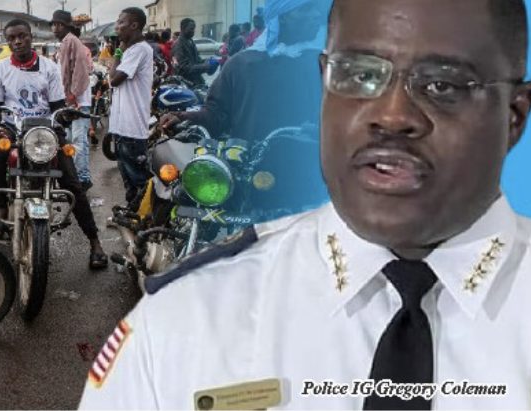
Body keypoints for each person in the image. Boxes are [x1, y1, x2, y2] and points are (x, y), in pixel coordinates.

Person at [80, 0, 531, 408]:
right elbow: (215, 114)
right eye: (359, 75)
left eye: (443, 84)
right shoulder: (181, 321)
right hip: (245, 179)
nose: (392, 114)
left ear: (515, 114)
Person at [161, 0, 330, 217]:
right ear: (283, 16)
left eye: (318, 8)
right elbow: (216, 113)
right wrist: (182, 117)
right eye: (306, 9)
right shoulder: (242, 65)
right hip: (254, 179)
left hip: (313, 183)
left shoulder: (328, 66)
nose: (317, 15)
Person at [0, 19, 108, 269]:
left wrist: (65, 115)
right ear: (7, 41)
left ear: (31, 37)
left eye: (22, 36)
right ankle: (0, 210)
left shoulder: (49, 67)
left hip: (45, 127)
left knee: (72, 182)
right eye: (12, 38)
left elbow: (57, 106)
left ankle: (95, 242)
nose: (17, 41)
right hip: (13, 127)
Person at [108, 8, 154, 204]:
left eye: (121, 23)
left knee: (138, 180)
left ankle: (145, 221)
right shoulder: (131, 50)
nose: (117, 27)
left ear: (134, 25)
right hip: (122, 127)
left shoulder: (139, 50)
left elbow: (114, 79)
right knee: (128, 179)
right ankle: (131, 215)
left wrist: (118, 50)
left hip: (132, 129)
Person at [52, 9, 95, 190]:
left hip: (78, 101)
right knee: (70, 141)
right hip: (72, 100)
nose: (54, 29)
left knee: (79, 141)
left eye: (56, 25)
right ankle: (76, 175)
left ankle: (83, 178)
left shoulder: (72, 41)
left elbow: (80, 72)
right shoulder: (67, 42)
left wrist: (73, 95)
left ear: (62, 26)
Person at [172, 18, 217, 86]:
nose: (193, 31)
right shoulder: (178, 45)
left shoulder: (190, 41)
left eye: (194, 29)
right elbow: (184, 68)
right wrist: (205, 67)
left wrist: (205, 61)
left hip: (196, 80)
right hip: (186, 83)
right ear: (183, 28)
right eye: (191, 29)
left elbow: (196, 60)